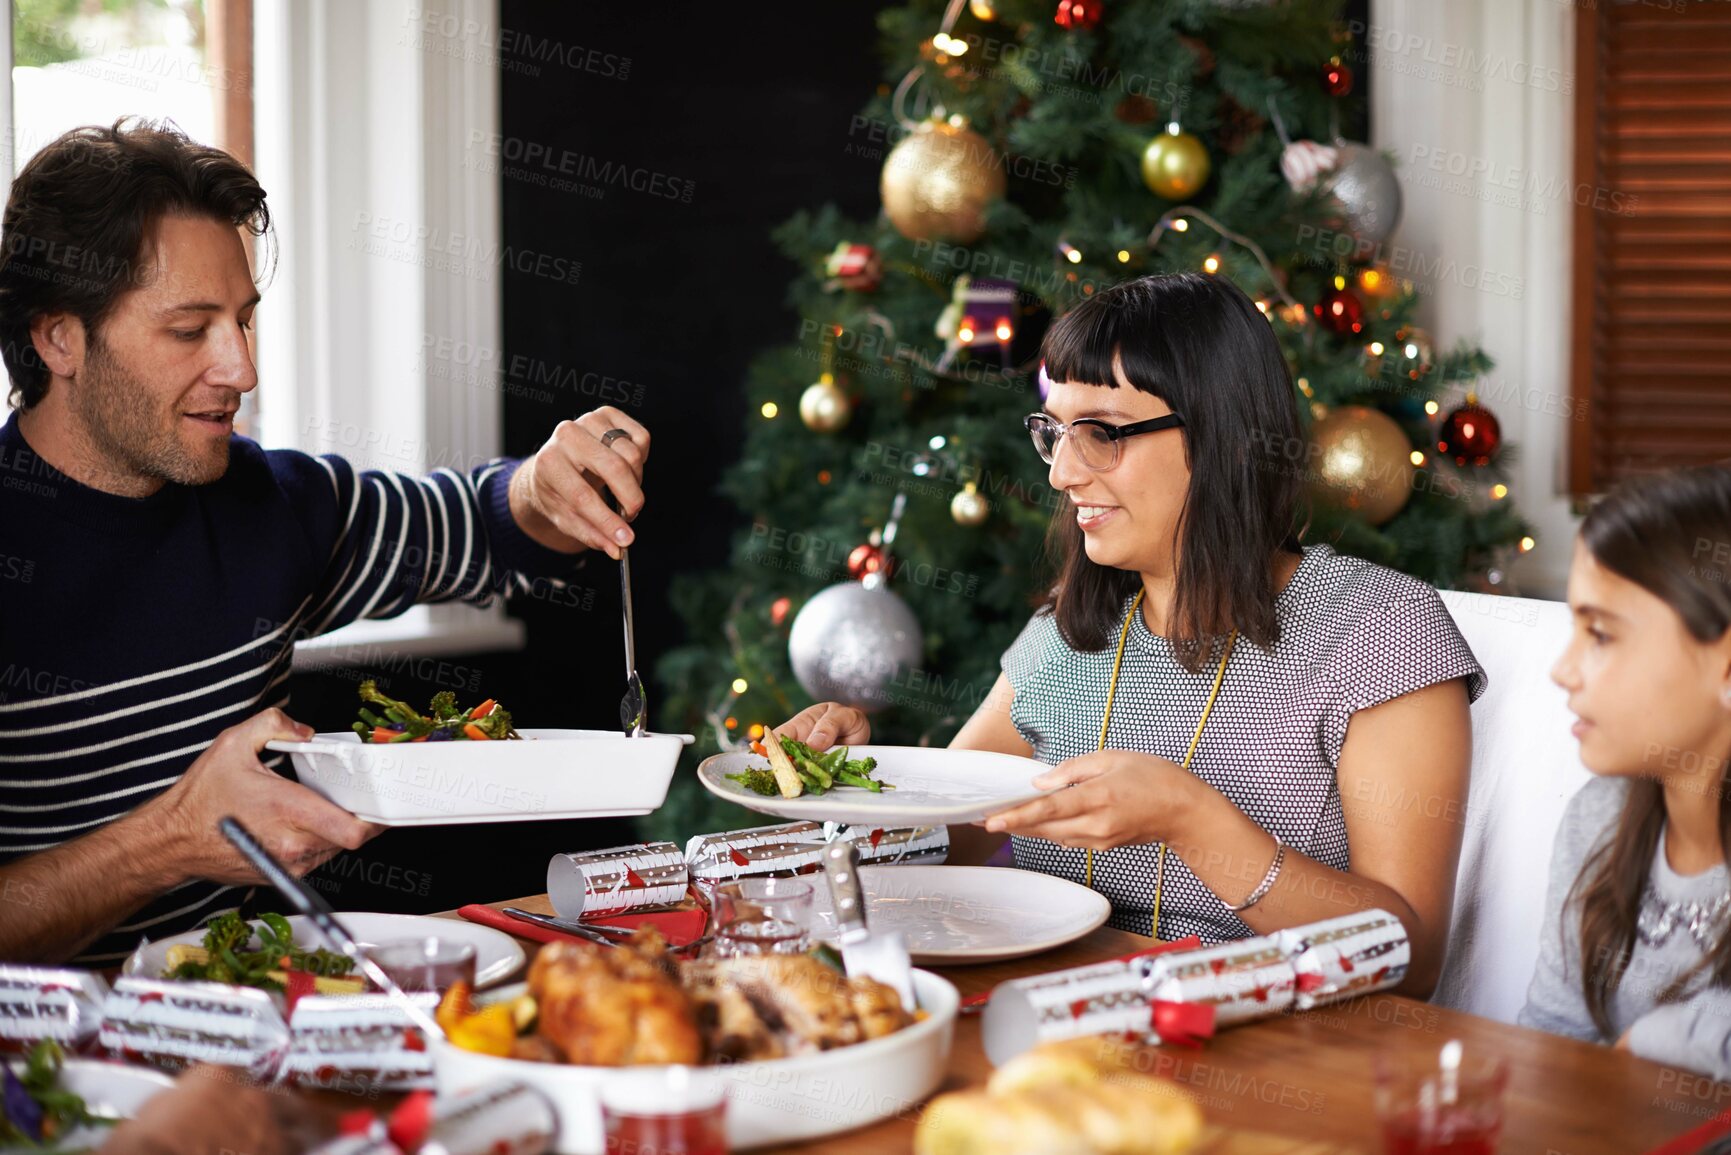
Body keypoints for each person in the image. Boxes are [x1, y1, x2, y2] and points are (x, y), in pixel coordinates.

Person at [0, 120, 651, 965]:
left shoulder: (267, 503)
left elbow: (484, 527)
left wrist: (547, 485)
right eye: (190, 330)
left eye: (243, 320)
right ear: (59, 338)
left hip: (250, 1028)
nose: (241, 368)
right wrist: (167, 840)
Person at [782, 273, 1484, 995]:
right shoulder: (1063, 634)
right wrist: (849, 785)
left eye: (1100, 433)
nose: (1059, 472)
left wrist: (1192, 821)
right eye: (1053, 432)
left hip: (1282, 1064)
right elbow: (943, 837)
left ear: (1225, 437)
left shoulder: (1379, 628)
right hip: (1058, 1031)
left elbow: (1407, 961)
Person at [1519, 465, 1731, 1077]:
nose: (1563, 669)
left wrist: (1661, 1038)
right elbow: (1552, 1045)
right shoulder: (1600, 817)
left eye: (1602, 635)